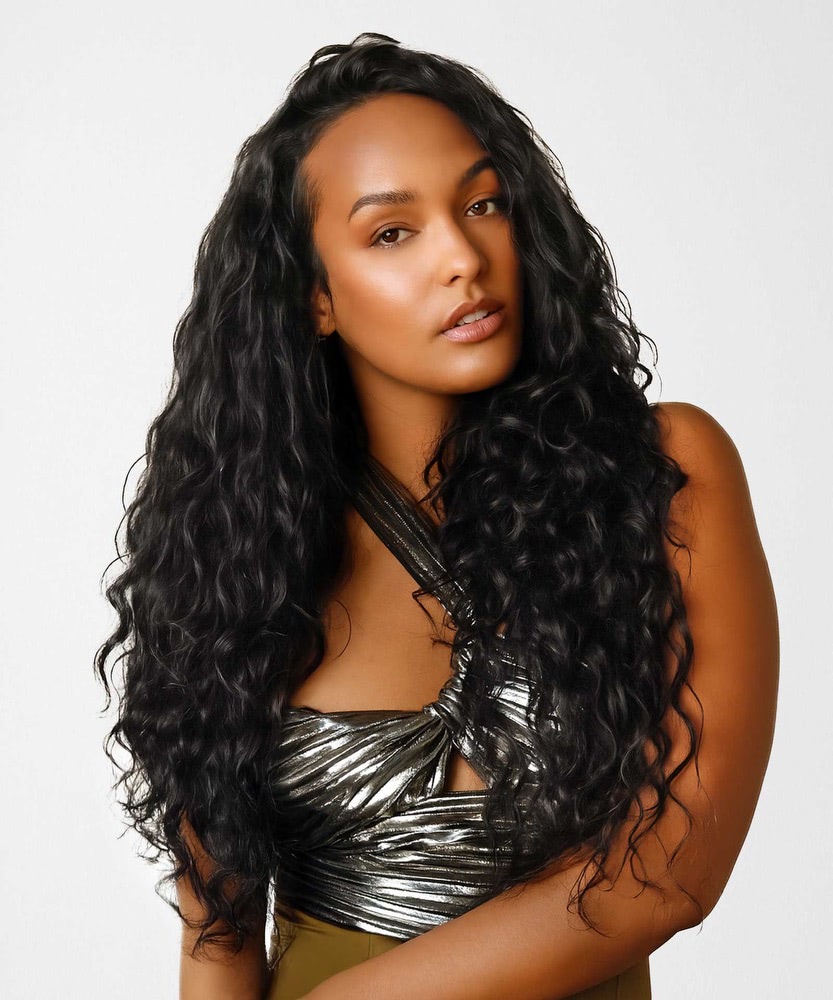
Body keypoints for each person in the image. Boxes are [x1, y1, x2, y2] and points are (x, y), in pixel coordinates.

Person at [95, 32, 779, 1000]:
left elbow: (665, 875)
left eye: (483, 204)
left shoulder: (662, 474)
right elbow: (218, 937)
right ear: (314, 297)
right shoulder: (235, 541)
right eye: (391, 232)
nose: (461, 255)